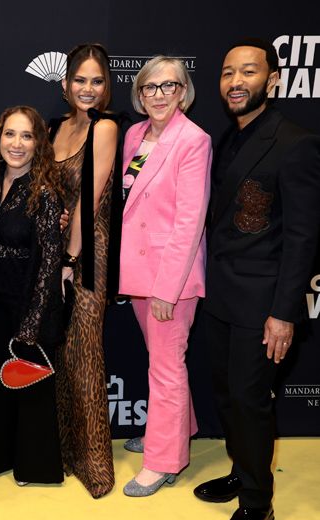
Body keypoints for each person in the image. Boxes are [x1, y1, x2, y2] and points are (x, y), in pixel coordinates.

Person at [196, 38, 320, 520]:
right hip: (222, 297)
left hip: (263, 304)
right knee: (227, 394)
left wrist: (283, 313)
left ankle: (257, 502)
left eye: (248, 72)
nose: (235, 82)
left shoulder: (295, 142)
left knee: (250, 401)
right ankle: (240, 470)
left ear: (271, 80)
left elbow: (303, 238)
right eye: (227, 73)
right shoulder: (229, 138)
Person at [119, 56, 211, 496]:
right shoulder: (136, 134)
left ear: (183, 91)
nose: (158, 94)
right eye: (150, 87)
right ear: (140, 94)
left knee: (166, 367)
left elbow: (189, 223)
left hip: (169, 280)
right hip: (138, 272)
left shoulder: (194, 140)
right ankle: (176, 428)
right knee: (164, 361)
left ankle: (163, 460)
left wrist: (167, 289)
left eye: (168, 86)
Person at [0, 106, 64, 485]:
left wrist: (32, 321)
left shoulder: (44, 193)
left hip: (26, 301)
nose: (17, 143)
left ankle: (35, 468)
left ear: (38, 144)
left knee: (30, 387)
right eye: (9, 134)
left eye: (26, 136)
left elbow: (48, 262)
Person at [49, 43, 120, 499]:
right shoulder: (55, 128)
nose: (88, 89)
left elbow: (90, 199)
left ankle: (96, 465)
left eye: (96, 81)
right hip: (55, 252)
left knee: (85, 352)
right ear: (65, 84)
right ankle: (64, 449)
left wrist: (71, 261)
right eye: (80, 80)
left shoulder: (105, 128)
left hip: (87, 253)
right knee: (61, 351)